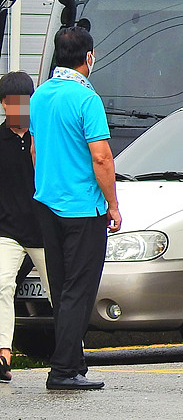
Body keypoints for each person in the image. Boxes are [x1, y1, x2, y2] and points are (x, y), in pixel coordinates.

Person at [31, 25, 121, 390]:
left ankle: (74, 361)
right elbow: (101, 158)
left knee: (61, 285)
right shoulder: (87, 99)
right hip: (82, 207)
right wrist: (113, 204)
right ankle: (64, 369)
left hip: (47, 203)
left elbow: (36, 151)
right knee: (79, 289)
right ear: (88, 57)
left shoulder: (39, 96)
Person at [0, 70, 51, 384]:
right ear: (4, 104)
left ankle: (72, 352)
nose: (20, 110)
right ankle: (2, 354)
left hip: (45, 230)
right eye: (14, 103)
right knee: (1, 285)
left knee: (60, 292)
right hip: (8, 230)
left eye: (26, 103)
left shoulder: (45, 137)